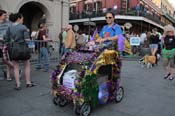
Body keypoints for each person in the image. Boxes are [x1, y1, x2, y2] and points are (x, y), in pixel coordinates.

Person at [6, 13, 34, 90]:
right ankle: (28, 82)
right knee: (27, 65)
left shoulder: (9, 27)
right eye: (22, 18)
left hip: (14, 48)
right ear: (19, 18)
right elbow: (27, 39)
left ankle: (18, 84)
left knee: (16, 67)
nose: (23, 20)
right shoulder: (23, 27)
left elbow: (7, 39)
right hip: (23, 48)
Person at [0, 9, 13, 81]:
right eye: (4, 15)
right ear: (0, 16)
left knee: (6, 59)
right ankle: (17, 69)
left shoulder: (9, 23)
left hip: (6, 43)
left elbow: (12, 32)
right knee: (4, 60)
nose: (6, 16)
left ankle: (8, 76)